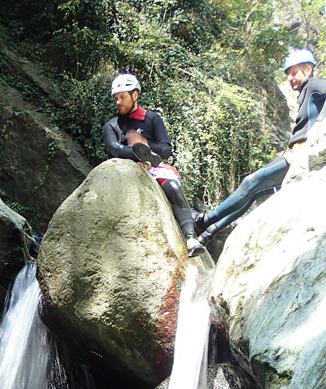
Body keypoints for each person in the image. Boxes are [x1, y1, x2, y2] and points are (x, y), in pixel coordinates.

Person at [195, 48, 326, 247]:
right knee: (254, 191)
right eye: (288, 74)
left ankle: (204, 220)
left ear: (308, 69)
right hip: (295, 154)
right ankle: (207, 235)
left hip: (300, 155)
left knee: (251, 181)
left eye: (294, 72)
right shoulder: (305, 94)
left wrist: (318, 135)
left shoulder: (315, 84)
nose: (290, 78)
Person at [103, 72, 204, 257]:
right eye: (116, 98)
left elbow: (165, 149)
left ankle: (190, 237)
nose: (118, 102)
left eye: (122, 97)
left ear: (135, 95)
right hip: (124, 166)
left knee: (173, 188)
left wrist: (146, 146)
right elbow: (114, 148)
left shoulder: (152, 119)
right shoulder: (112, 126)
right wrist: (138, 152)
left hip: (155, 166)